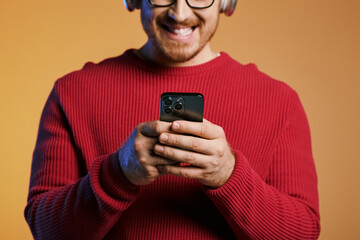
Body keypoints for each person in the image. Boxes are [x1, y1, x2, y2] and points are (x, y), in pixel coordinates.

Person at [24, 0, 321, 238]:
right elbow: (45, 230)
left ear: (228, 3)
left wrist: (228, 174)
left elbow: (303, 233)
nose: (180, 13)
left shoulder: (279, 100)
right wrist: (118, 173)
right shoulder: (72, 93)